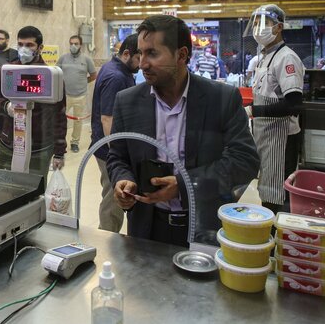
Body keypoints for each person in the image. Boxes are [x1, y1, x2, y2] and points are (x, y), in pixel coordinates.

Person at [108, 15, 260, 247]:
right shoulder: (127, 102)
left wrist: (184, 185)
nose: (142, 64)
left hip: (204, 227)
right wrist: (123, 181)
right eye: (141, 53)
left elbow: (245, 161)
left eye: (153, 53)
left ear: (181, 55)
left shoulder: (220, 99)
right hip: (147, 229)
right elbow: (117, 157)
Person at [243, 4, 304, 214]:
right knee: (267, 191)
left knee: (277, 195)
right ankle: (267, 236)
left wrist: (253, 111)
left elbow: (293, 104)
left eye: (264, 23)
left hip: (282, 140)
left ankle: (279, 239)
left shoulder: (286, 58)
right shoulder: (264, 57)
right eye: (256, 23)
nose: (258, 28)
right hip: (266, 136)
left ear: (278, 27)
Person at [0, 26, 67, 183]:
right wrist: (6, 107)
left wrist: (59, 152)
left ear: (40, 48)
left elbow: (60, 116)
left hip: (39, 147)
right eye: (21, 44)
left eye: (29, 45)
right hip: (8, 143)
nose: (24, 49)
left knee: (34, 192)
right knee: (0, 189)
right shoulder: (7, 71)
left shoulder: (50, 76)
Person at [90, 33, 140, 232]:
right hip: (108, 149)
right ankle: (106, 242)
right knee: (114, 198)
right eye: (139, 58)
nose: (142, 63)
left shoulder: (114, 69)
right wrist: (117, 154)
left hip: (108, 145)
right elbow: (107, 118)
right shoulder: (116, 76)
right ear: (127, 54)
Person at [56, 35, 97, 153]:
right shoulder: (63, 58)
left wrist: (84, 82)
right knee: (60, 120)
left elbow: (94, 75)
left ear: (81, 45)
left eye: (76, 43)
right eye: (71, 43)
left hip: (81, 95)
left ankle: (75, 142)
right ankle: (60, 143)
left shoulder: (87, 59)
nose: (73, 46)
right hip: (65, 96)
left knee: (78, 121)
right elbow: (56, 73)